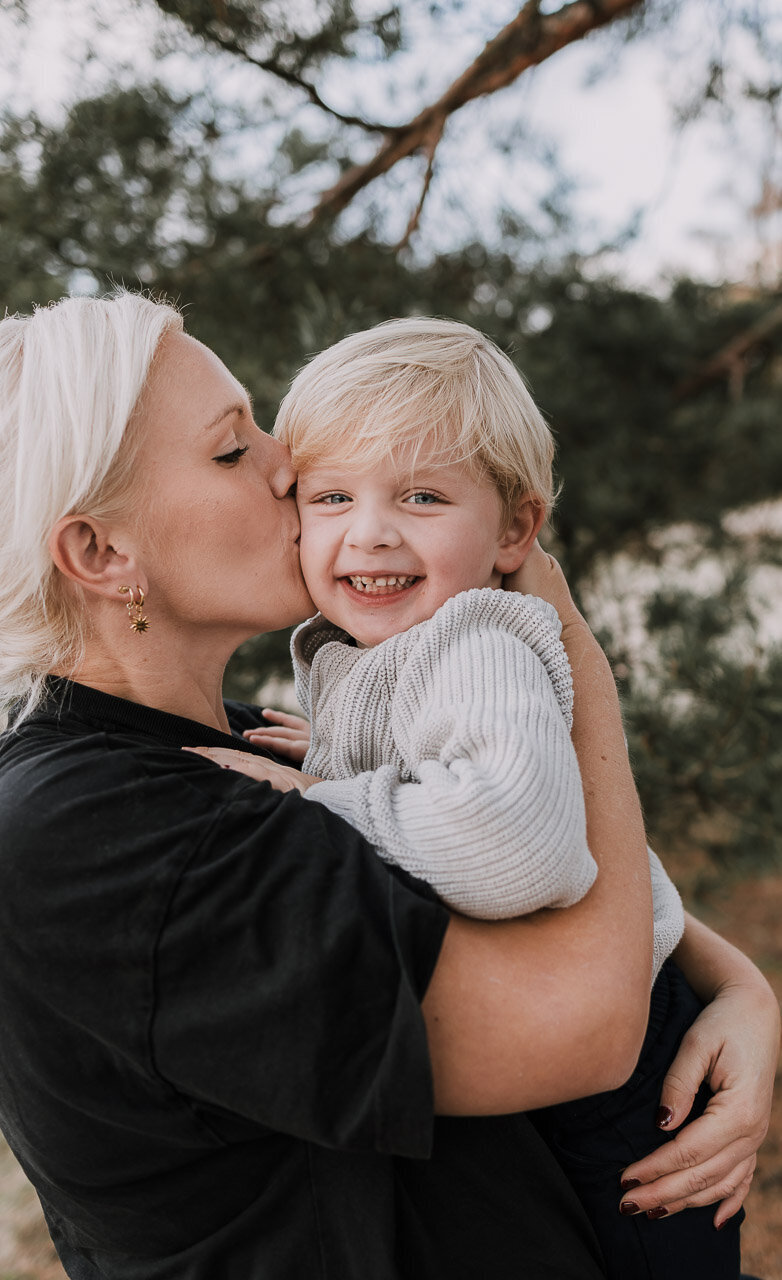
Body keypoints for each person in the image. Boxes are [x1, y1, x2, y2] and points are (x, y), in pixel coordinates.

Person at [0, 292, 776, 1280]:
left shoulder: (238, 743)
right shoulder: (90, 831)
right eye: (232, 449)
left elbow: (538, 853)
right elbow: (583, 1020)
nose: (289, 464)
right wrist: (570, 644)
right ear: (103, 552)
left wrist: (735, 984)